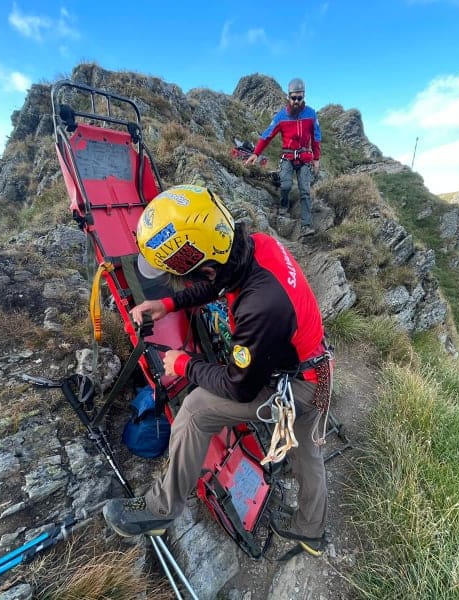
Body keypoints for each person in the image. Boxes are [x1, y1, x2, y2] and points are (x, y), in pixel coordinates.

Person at [103, 184, 332, 555]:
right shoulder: (256, 246)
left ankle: (159, 510)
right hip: (316, 371)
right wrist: (168, 302)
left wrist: (184, 364)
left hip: (298, 387)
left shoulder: (260, 307)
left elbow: (239, 387)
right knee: (307, 452)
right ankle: (311, 531)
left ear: (199, 264)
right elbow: (219, 282)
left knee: (195, 410)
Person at [244, 78, 322, 237]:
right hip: (287, 157)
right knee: (285, 185)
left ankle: (306, 225)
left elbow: (316, 137)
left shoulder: (311, 114)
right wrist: (255, 153)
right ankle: (284, 206)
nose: (296, 101)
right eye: (294, 98)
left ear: (303, 96)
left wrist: (316, 158)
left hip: (305, 158)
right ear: (289, 96)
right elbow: (267, 136)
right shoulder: (281, 116)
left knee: (305, 191)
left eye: (299, 98)